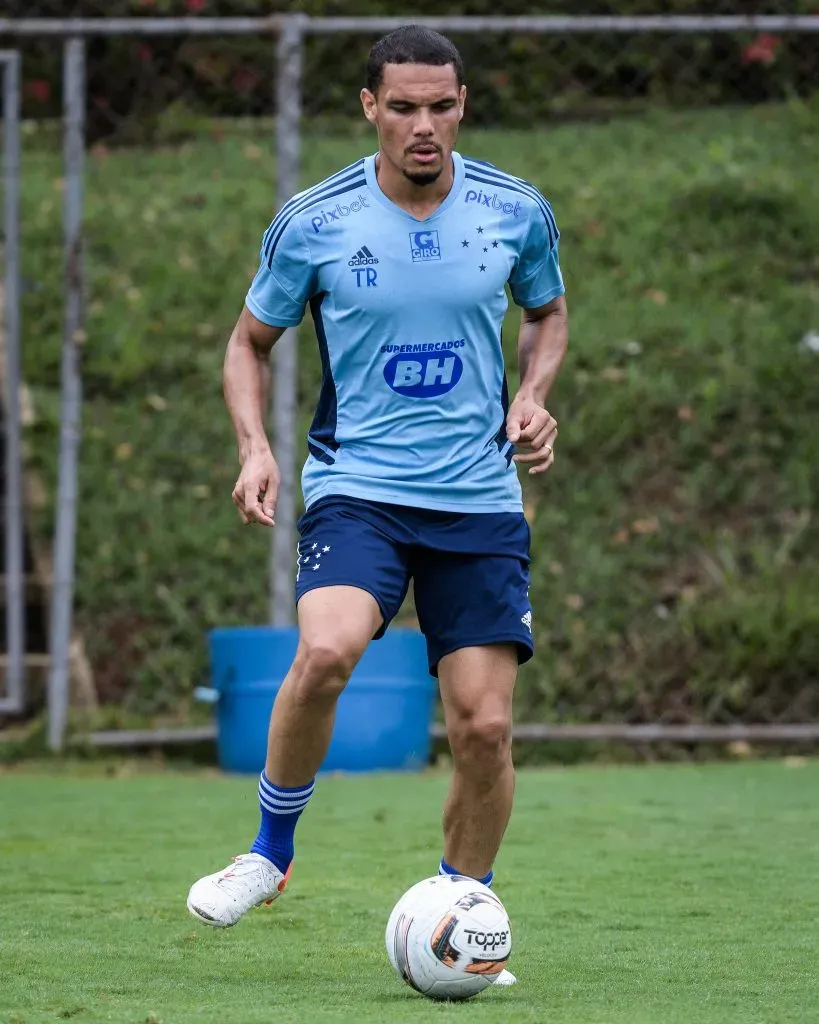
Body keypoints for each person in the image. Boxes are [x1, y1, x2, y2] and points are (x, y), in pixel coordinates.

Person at [187, 25, 568, 987]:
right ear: (370, 109)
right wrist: (255, 448)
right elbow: (247, 343)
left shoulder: (515, 212)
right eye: (402, 107)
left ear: (462, 105)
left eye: (441, 106)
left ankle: (461, 909)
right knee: (325, 649)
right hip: (360, 487)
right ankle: (268, 857)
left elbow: (547, 313)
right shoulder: (315, 220)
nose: (423, 125)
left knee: (482, 728)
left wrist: (532, 394)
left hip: (479, 500)